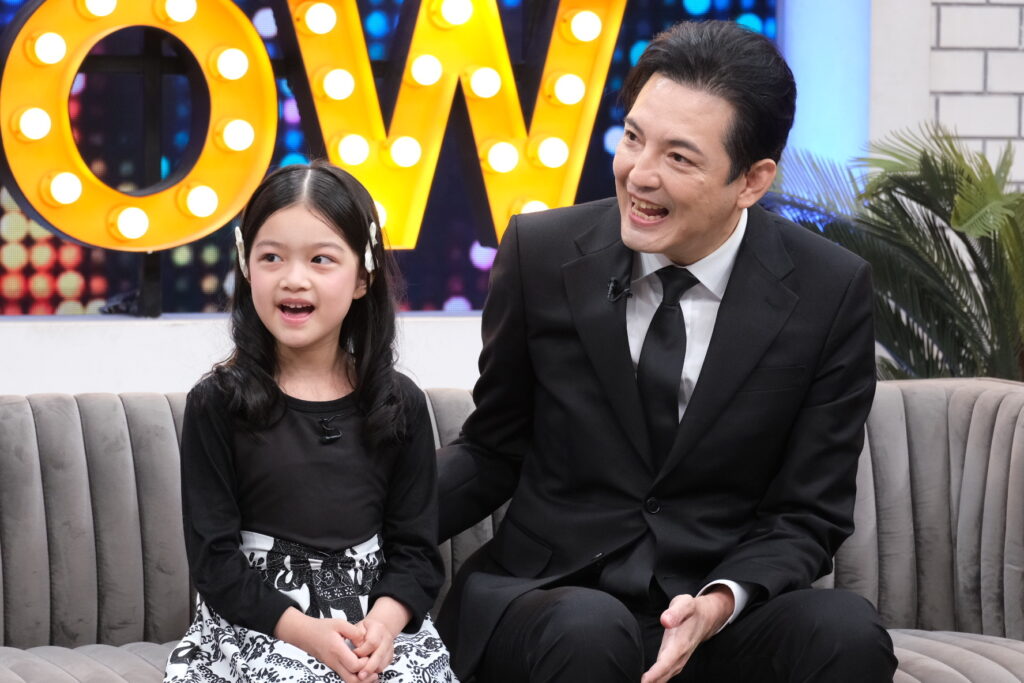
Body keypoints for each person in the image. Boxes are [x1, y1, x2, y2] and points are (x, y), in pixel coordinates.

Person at [436, 20, 897, 683]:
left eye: (679, 158)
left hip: (712, 610)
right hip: (553, 596)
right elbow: (491, 450)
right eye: (633, 138)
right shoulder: (541, 254)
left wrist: (718, 602)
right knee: (589, 628)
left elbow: (808, 512)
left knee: (845, 632)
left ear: (752, 180)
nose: (639, 175)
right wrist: (351, 528)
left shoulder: (830, 289)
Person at [164, 161, 456, 683]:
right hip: (261, 623)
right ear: (246, 267)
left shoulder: (400, 403)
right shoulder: (217, 403)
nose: (293, 279)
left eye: (322, 259)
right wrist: (307, 634)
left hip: (372, 625)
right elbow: (215, 563)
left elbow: (415, 553)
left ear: (362, 277)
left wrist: (383, 626)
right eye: (271, 257)